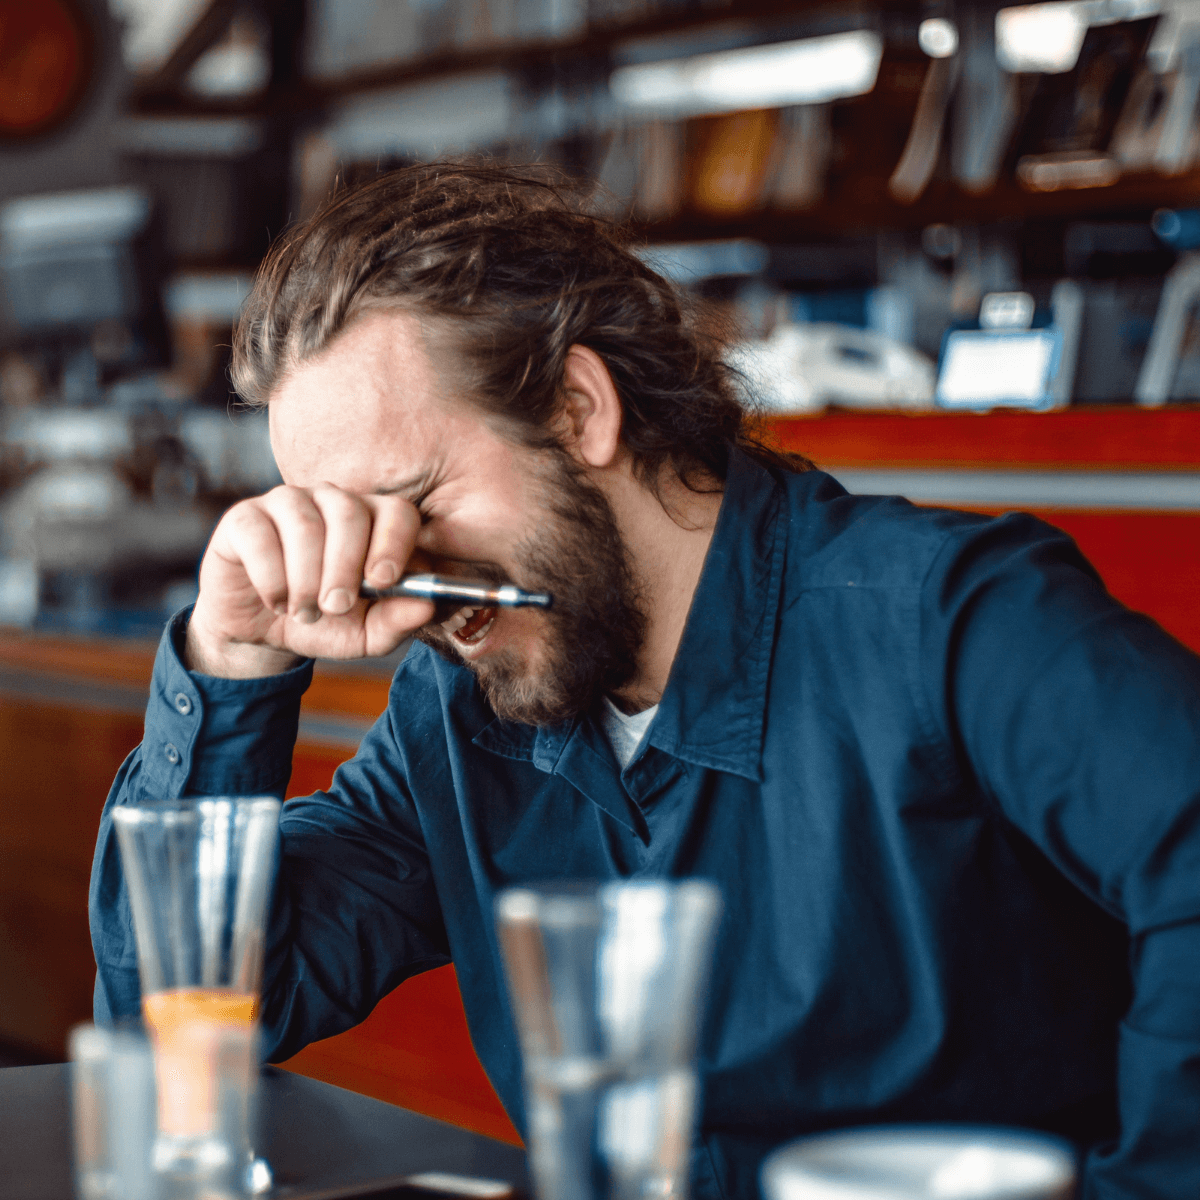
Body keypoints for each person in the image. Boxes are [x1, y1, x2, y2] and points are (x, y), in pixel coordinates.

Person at [90, 164, 1200, 1199]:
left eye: (415, 498)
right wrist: (231, 661)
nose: (391, 569)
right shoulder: (458, 716)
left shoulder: (950, 619)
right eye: (346, 523)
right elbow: (184, 1022)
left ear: (580, 410)